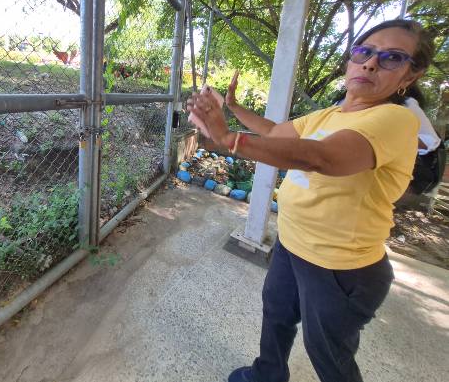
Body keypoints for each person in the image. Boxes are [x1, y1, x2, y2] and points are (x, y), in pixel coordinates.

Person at [186, 19, 435, 382]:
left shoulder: (396, 120)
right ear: (351, 61)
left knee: (328, 354)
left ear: (410, 76)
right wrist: (233, 108)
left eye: (391, 58)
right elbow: (275, 132)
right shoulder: (331, 115)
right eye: (364, 52)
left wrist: (229, 139)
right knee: (276, 314)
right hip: (292, 245)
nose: (370, 64)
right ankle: (267, 374)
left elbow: (322, 157)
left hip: (340, 267)